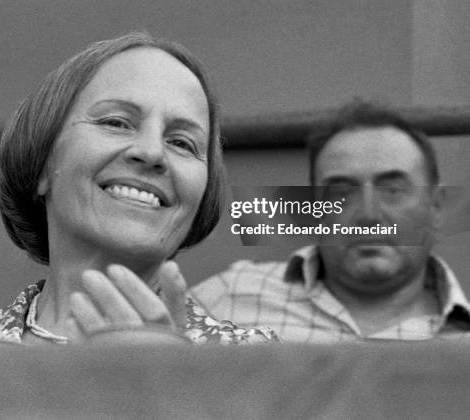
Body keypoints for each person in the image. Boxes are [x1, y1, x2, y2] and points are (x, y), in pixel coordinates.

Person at [0, 32, 277, 346]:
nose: (151, 152)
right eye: (116, 122)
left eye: (182, 143)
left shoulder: (260, 365)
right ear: (42, 164)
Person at [191, 100, 470, 342]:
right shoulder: (230, 296)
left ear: (437, 207)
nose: (368, 216)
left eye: (393, 190)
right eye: (341, 192)